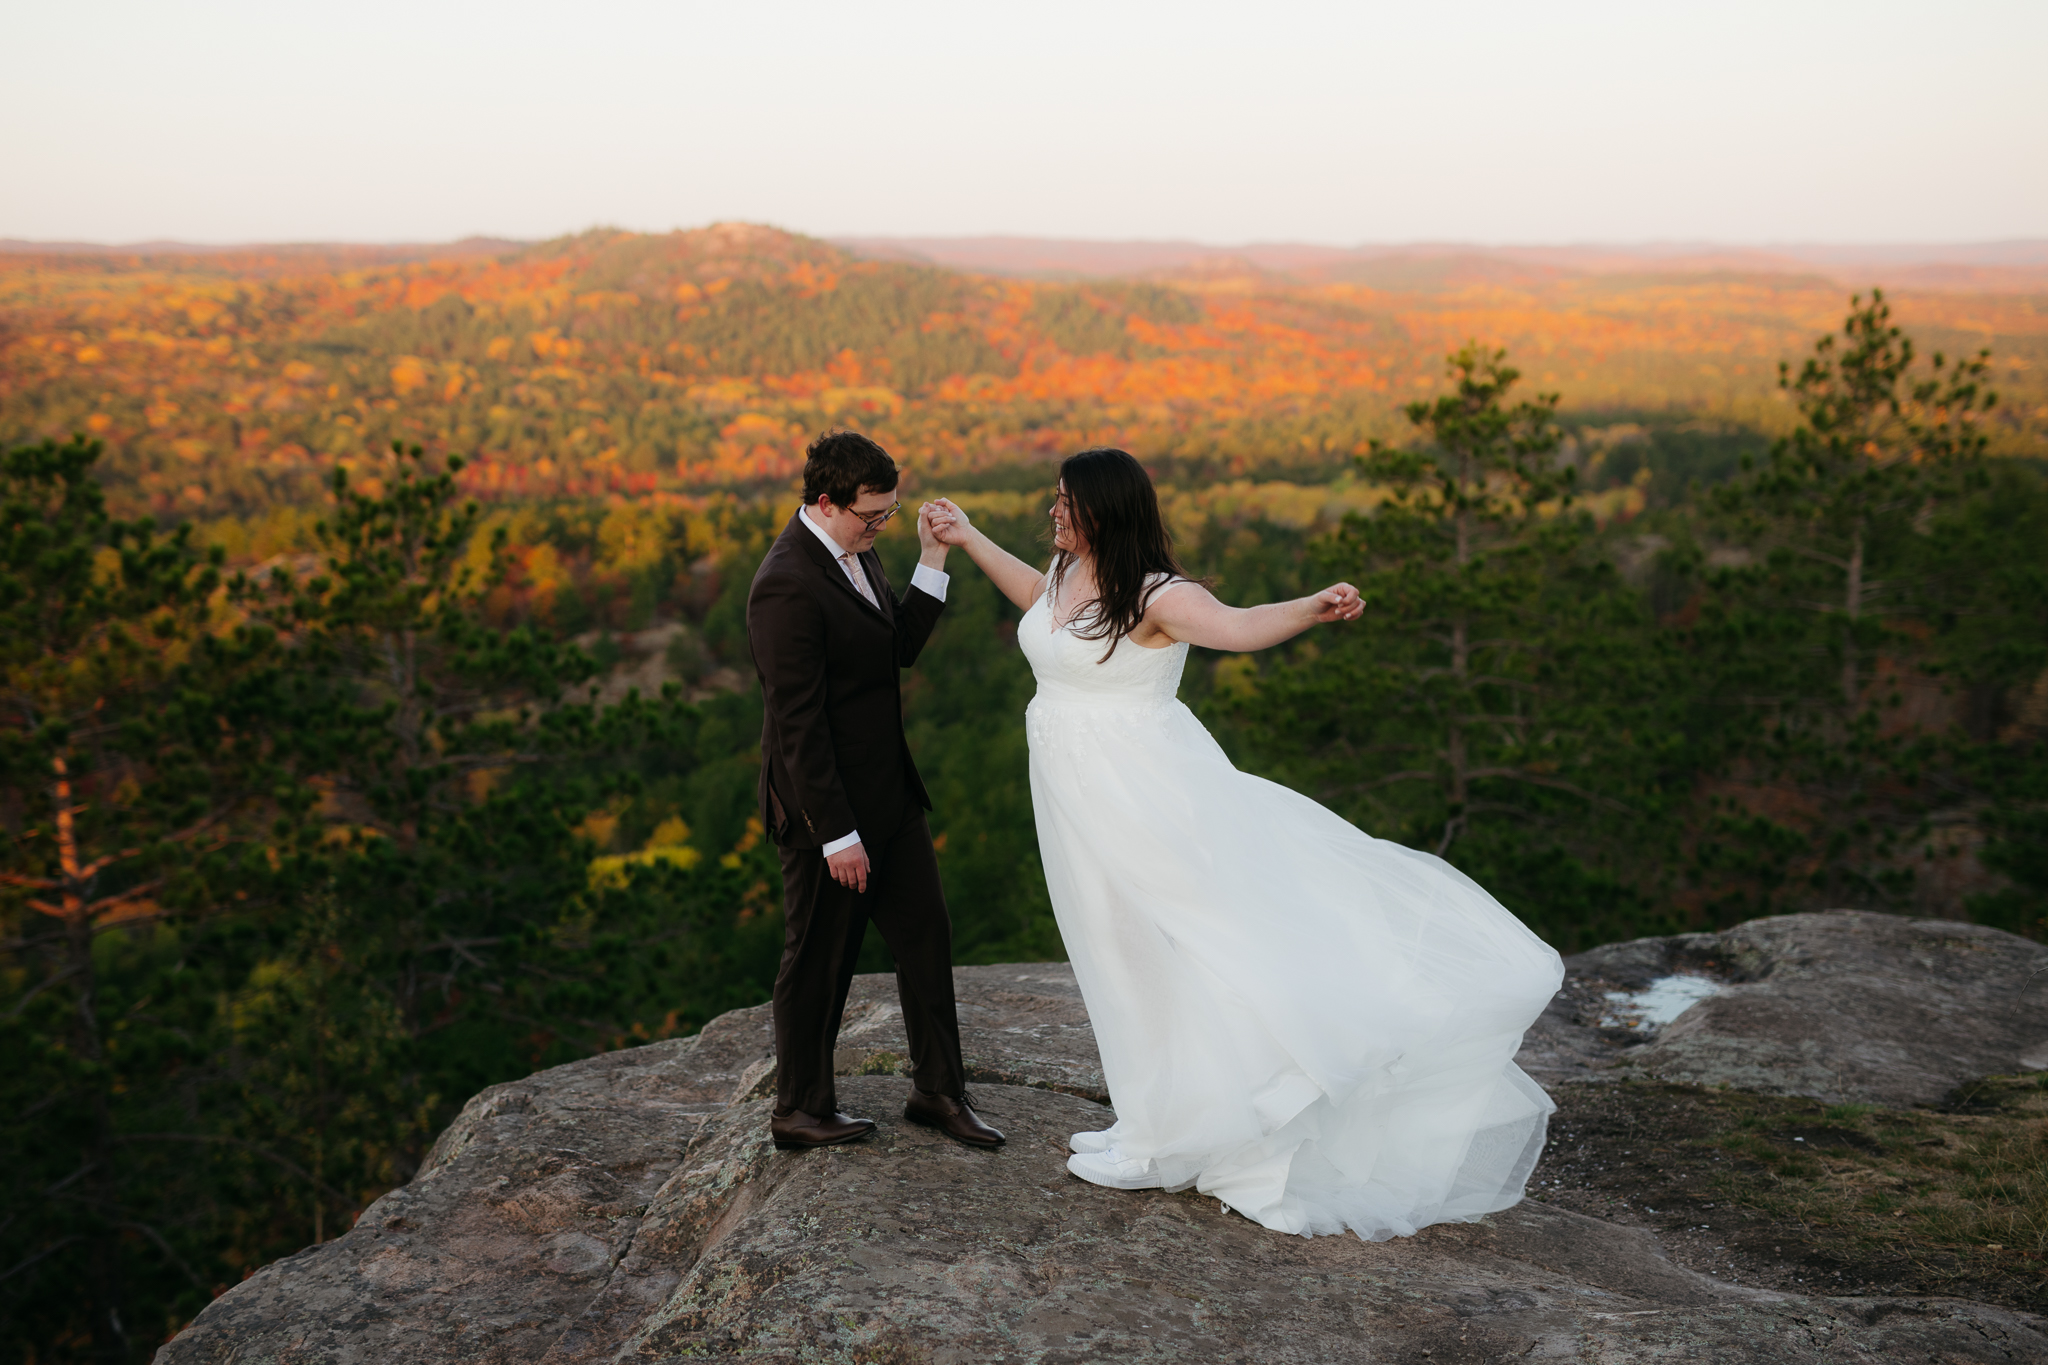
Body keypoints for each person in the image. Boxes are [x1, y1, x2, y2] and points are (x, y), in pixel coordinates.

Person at [923, 448, 1562, 1240]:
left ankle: (1188, 1130)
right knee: (1109, 952)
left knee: (1178, 948)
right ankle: (1151, 1118)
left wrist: (1312, 605)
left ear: (1104, 510)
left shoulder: (1161, 595)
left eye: (1064, 502)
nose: (1052, 511)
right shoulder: (1063, 574)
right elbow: (1036, 605)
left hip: (1145, 796)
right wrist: (970, 535)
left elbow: (1238, 627)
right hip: (1075, 796)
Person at [745, 430, 1003, 1152]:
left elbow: (896, 647)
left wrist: (932, 555)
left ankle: (938, 1091)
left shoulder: (856, 549)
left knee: (927, 936)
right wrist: (836, 832)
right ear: (825, 502)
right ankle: (800, 1107)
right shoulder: (785, 582)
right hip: (824, 813)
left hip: (891, 795)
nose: (880, 525)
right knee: (819, 958)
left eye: (889, 514)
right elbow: (797, 724)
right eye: (872, 516)